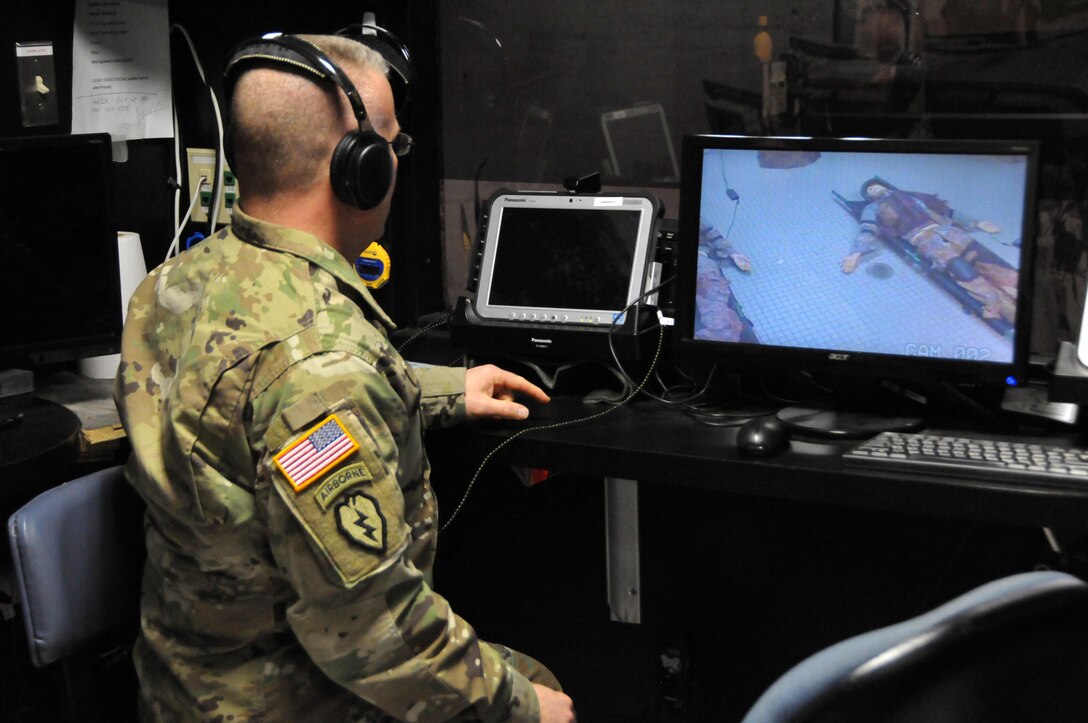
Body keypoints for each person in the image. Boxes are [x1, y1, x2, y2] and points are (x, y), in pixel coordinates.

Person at [114, 33, 575, 723]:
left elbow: (264, 397)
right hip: (292, 699)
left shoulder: (175, 283)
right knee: (540, 684)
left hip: (180, 681)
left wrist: (447, 389)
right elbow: (371, 633)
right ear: (358, 169)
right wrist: (523, 707)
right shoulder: (322, 370)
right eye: (391, 144)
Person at [839, 178, 1019, 326]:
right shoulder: (872, 209)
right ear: (869, 197)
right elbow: (868, 228)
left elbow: (944, 209)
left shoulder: (909, 195)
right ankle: (999, 305)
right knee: (961, 269)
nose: (873, 188)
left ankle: (1016, 286)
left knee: (987, 260)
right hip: (922, 238)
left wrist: (976, 223)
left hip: (949, 231)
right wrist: (856, 253)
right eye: (869, 190)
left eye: (875, 185)